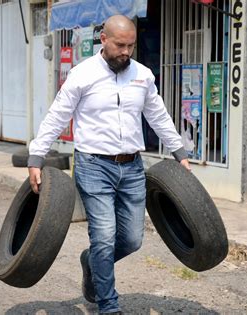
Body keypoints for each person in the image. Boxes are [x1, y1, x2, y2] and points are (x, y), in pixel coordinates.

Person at [27, 15, 190, 315]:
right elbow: (57, 116)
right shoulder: (82, 74)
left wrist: (180, 152)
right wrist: (37, 156)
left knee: (131, 239)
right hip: (93, 165)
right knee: (103, 236)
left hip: (132, 168)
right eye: (119, 45)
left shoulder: (143, 75)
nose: (125, 52)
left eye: (130, 46)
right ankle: (108, 305)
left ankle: (91, 262)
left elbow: (158, 116)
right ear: (103, 39)